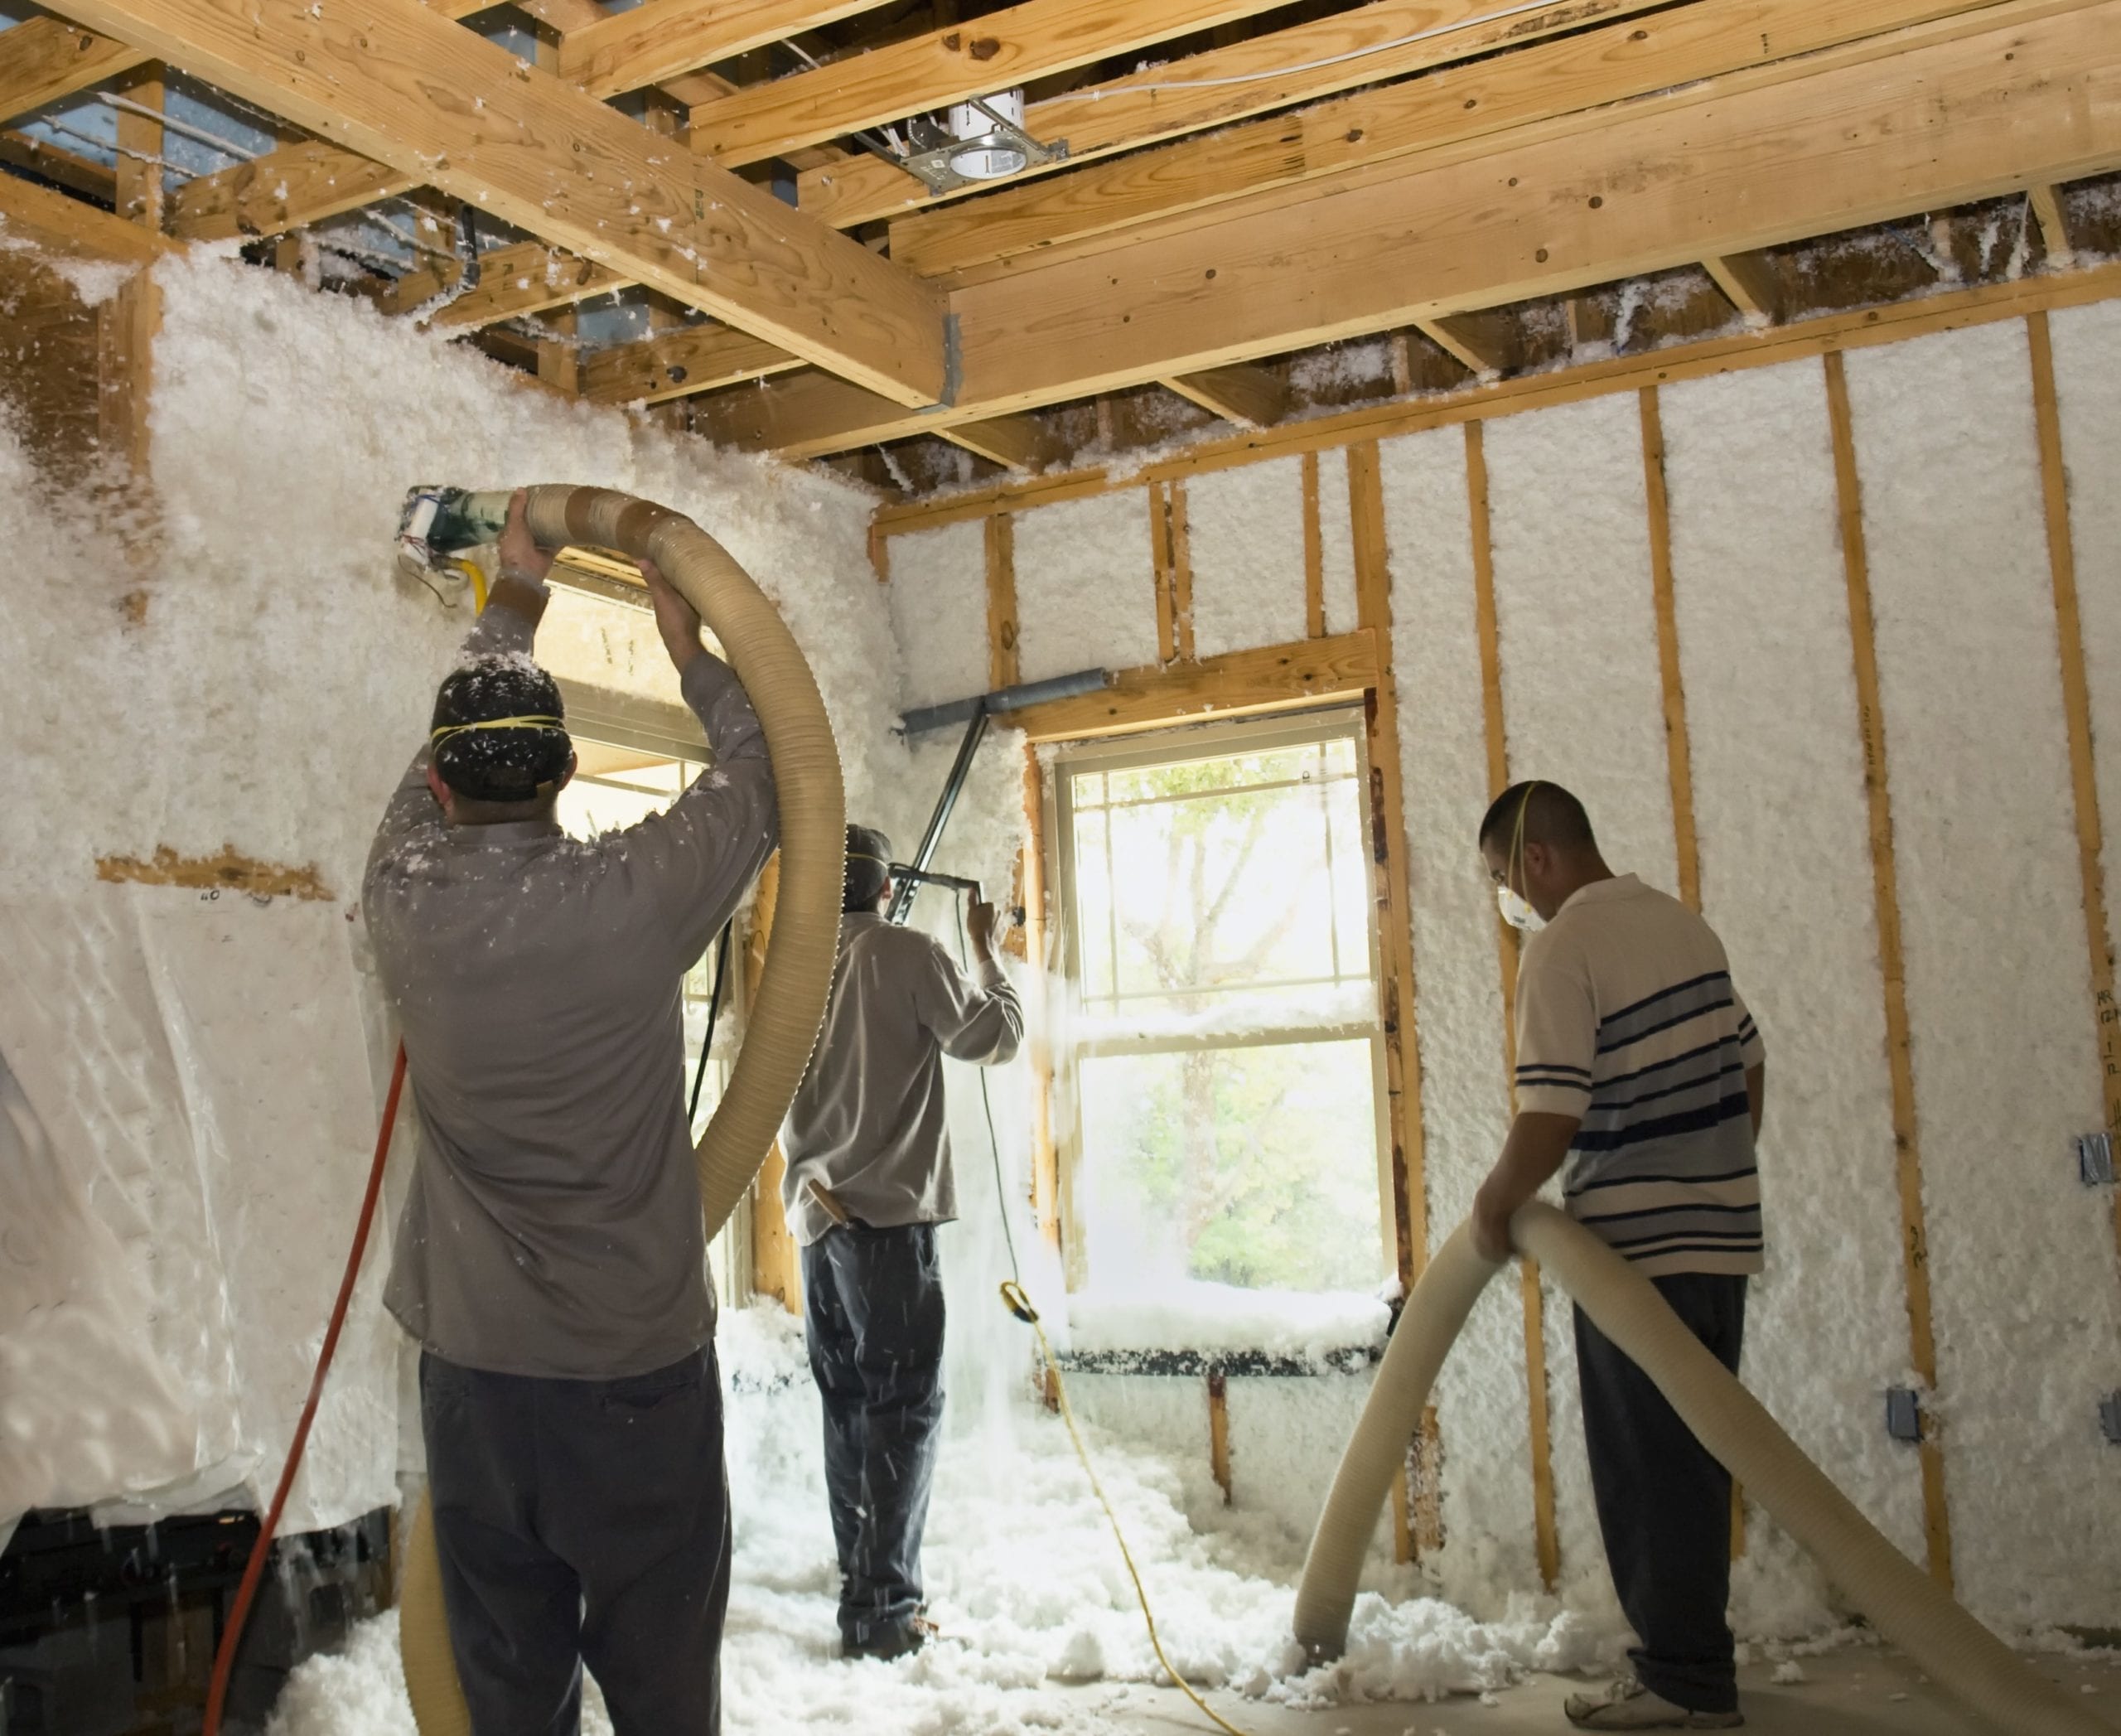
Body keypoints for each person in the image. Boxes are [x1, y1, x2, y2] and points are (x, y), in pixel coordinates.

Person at [363, 492, 776, 1735]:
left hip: (478, 1387)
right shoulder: (630, 898)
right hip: (634, 1383)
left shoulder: (401, 895)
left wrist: (514, 593)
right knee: (661, 1695)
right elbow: (768, 778)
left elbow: (448, 755)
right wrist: (691, 652)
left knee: (507, 1698)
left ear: (438, 782)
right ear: (568, 770)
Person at [1469, 781, 1765, 1733]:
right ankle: (1696, 1668)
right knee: (1696, 1462)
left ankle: (1680, 1683)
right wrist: (1710, 1160)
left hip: (1633, 1256)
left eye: (1500, 876)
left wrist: (1494, 1204)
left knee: (1646, 1470)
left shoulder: (1563, 946)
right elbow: (1751, 1061)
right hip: (1718, 1242)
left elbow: (1551, 1114)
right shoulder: (1686, 929)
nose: (1507, 896)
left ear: (1537, 859)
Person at [780, 825, 1024, 1661]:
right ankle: (883, 1611)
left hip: (816, 1224)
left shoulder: (793, 966)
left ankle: (861, 1577)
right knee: (903, 1408)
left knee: (849, 1403)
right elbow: (992, 1037)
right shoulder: (908, 953)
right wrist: (989, 957)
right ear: (886, 892)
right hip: (887, 1229)